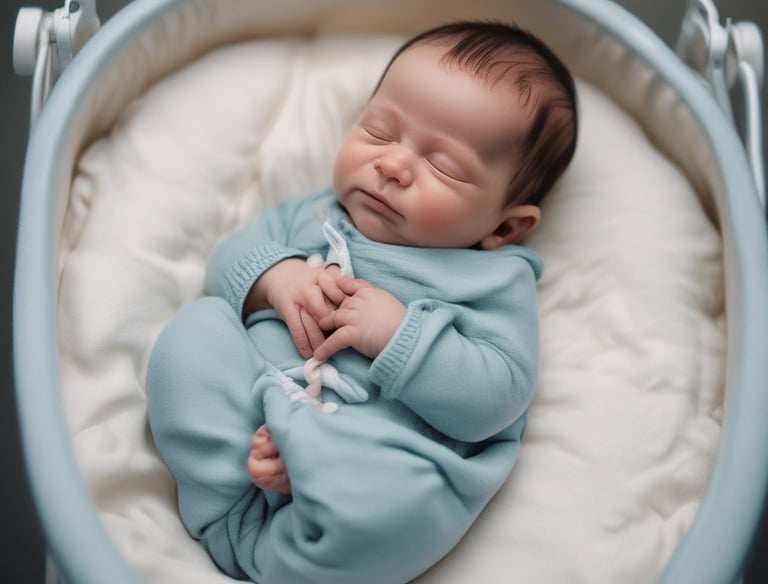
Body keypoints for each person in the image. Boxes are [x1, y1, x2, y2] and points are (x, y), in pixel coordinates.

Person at [146, 20, 578, 584]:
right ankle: (225, 505)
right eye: (378, 131)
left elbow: (498, 397)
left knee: (408, 500)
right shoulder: (315, 215)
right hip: (253, 417)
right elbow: (228, 260)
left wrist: (403, 337)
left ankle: (306, 501)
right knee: (192, 335)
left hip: (367, 458)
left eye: (443, 166)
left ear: (504, 226)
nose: (393, 165)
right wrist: (276, 276)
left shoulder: (493, 279)